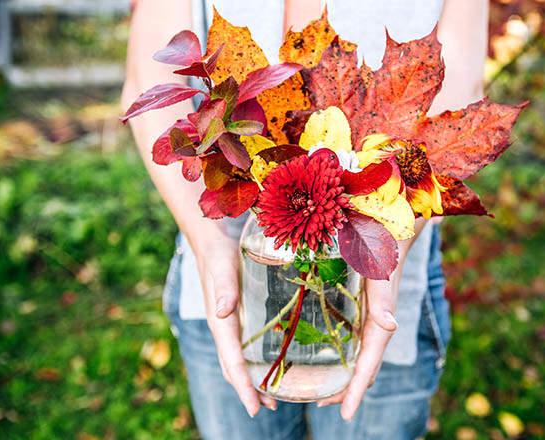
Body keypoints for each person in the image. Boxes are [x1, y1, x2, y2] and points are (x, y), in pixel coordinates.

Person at [122, 0, 488, 438]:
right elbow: (149, 72)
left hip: (386, 292)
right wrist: (207, 246)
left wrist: (386, 253)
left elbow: (459, 72)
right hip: (225, 283)